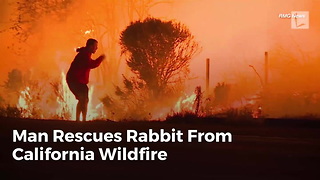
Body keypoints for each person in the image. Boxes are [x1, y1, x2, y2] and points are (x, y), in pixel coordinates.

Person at [66, 38, 105, 121]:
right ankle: (82, 120)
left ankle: (80, 120)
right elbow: (91, 64)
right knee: (83, 99)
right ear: (90, 46)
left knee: (83, 99)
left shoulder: (85, 53)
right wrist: (101, 58)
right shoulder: (84, 54)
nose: (96, 48)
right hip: (75, 80)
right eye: (95, 46)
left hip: (76, 80)